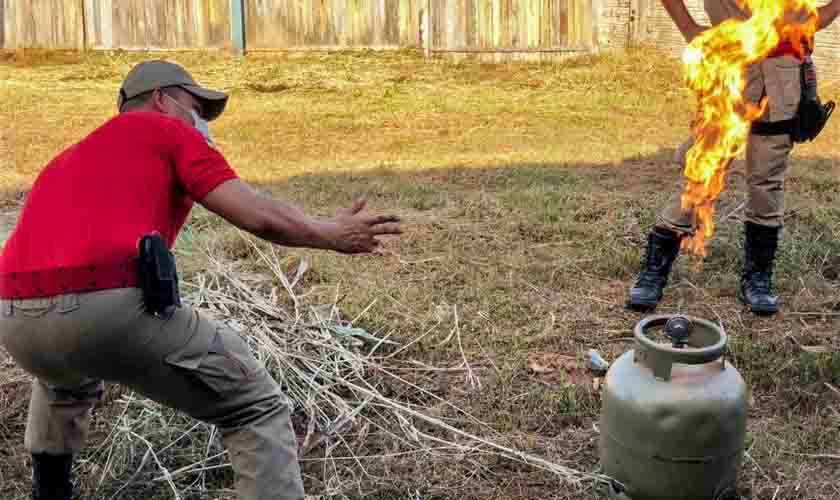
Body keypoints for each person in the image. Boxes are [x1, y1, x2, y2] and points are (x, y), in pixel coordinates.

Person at [0, 60, 402, 500]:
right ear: (160, 99)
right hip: (105, 309)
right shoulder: (170, 133)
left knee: (62, 376)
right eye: (197, 107)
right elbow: (259, 215)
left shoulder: (66, 158)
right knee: (255, 407)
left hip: (16, 319)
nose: (203, 122)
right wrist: (330, 233)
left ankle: (50, 492)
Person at [627, 0, 840, 315]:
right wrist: (689, 28)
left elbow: (807, 18)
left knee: (768, 179)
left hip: (783, 78)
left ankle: (758, 277)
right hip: (731, 74)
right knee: (703, 169)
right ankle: (655, 269)